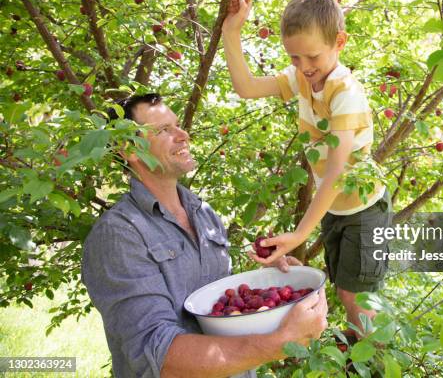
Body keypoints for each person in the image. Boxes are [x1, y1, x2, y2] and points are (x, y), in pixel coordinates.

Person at [81, 94, 328, 378]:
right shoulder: (119, 235)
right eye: (163, 130)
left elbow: (215, 308)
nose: (183, 135)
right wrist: (277, 344)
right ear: (129, 150)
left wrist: (269, 285)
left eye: (177, 125)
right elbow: (159, 354)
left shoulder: (203, 213)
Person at [222, 0, 392, 342]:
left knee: (355, 296)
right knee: (343, 289)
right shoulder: (302, 79)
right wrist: (231, 32)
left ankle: (373, 360)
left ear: (339, 42)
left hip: (365, 208)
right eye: (295, 57)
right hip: (336, 210)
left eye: (311, 56)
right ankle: (356, 357)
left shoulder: (346, 93)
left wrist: (300, 234)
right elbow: (246, 87)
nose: (304, 67)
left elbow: (336, 172)